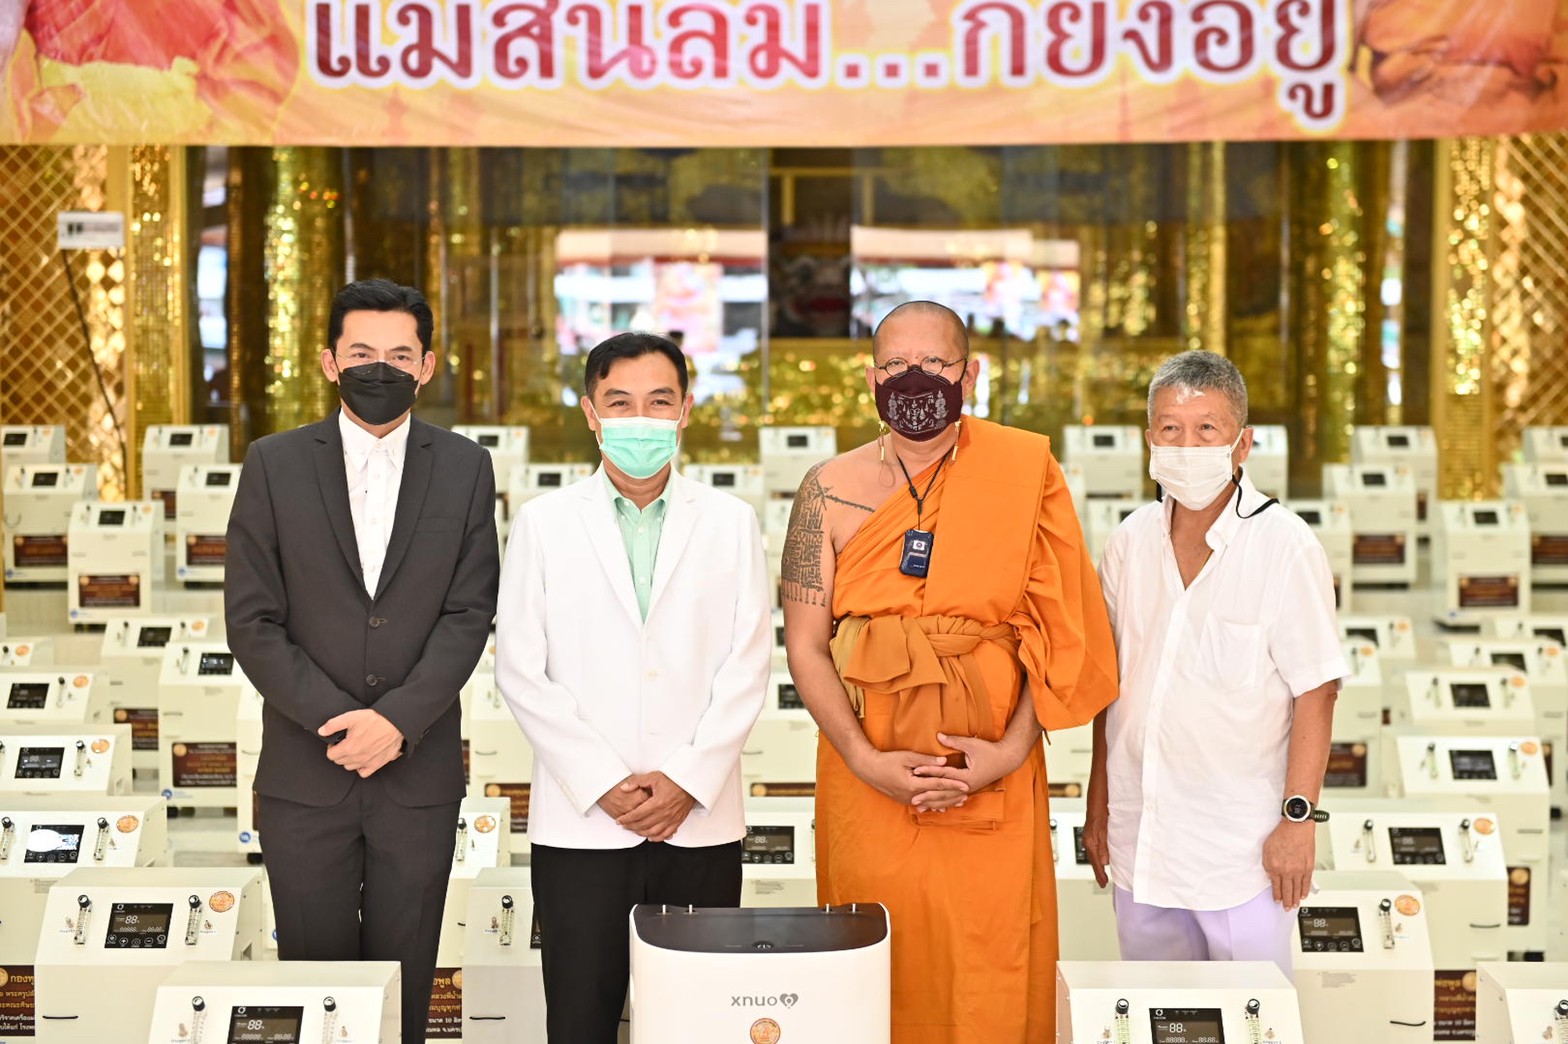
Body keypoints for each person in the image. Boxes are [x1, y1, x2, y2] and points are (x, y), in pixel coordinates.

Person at [781, 300, 1118, 1042]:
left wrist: (1009, 752)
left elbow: (1056, 633)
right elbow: (805, 645)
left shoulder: (1024, 472)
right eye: (898, 364)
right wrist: (863, 758)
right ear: (871, 378)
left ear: (970, 374)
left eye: (935, 363)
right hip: (868, 770)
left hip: (990, 769)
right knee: (877, 960)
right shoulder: (826, 488)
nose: (916, 378)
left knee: (988, 956)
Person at [226, 278, 499, 1043]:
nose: (381, 369)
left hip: (418, 773)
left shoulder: (465, 466)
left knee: (405, 983)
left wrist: (398, 722)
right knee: (313, 989)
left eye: (400, 355)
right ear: (329, 361)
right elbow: (251, 619)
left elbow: (469, 613)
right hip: (305, 773)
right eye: (362, 353)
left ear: (427, 365)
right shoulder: (273, 463)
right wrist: (340, 720)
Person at [497, 331, 771, 1044]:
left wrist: (687, 779)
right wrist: (603, 781)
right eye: (620, 403)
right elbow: (520, 668)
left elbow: (748, 666)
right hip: (582, 823)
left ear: (686, 411)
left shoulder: (731, 523)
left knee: (701, 1023)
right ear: (591, 413)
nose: (640, 419)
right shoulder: (544, 523)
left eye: (659, 402)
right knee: (580, 1019)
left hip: (699, 822)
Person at [1082, 349, 1345, 971]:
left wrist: (1298, 822)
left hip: (1241, 852)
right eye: (1170, 428)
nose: (1187, 444)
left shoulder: (1284, 545)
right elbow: (1110, 688)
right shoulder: (1129, 542)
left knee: (1253, 1012)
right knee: (1157, 1013)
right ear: (1149, 439)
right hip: (1142, 841)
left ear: (1242, 443)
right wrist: (1099, 805)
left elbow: (1317, 690)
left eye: (1207, 428)